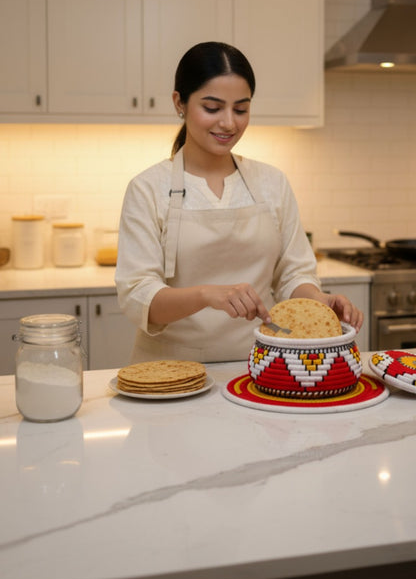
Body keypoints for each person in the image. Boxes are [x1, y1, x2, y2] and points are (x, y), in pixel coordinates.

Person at [115, 41, 364, 364]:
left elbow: (292, 274)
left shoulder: (271, 183)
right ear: (179, 103)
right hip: (171, 372)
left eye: (241, 109)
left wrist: (318, 300)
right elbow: (138, 296)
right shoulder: (148, 189)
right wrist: (207, 294)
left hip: (261, 366)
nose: (229, 123)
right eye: (212, 108)